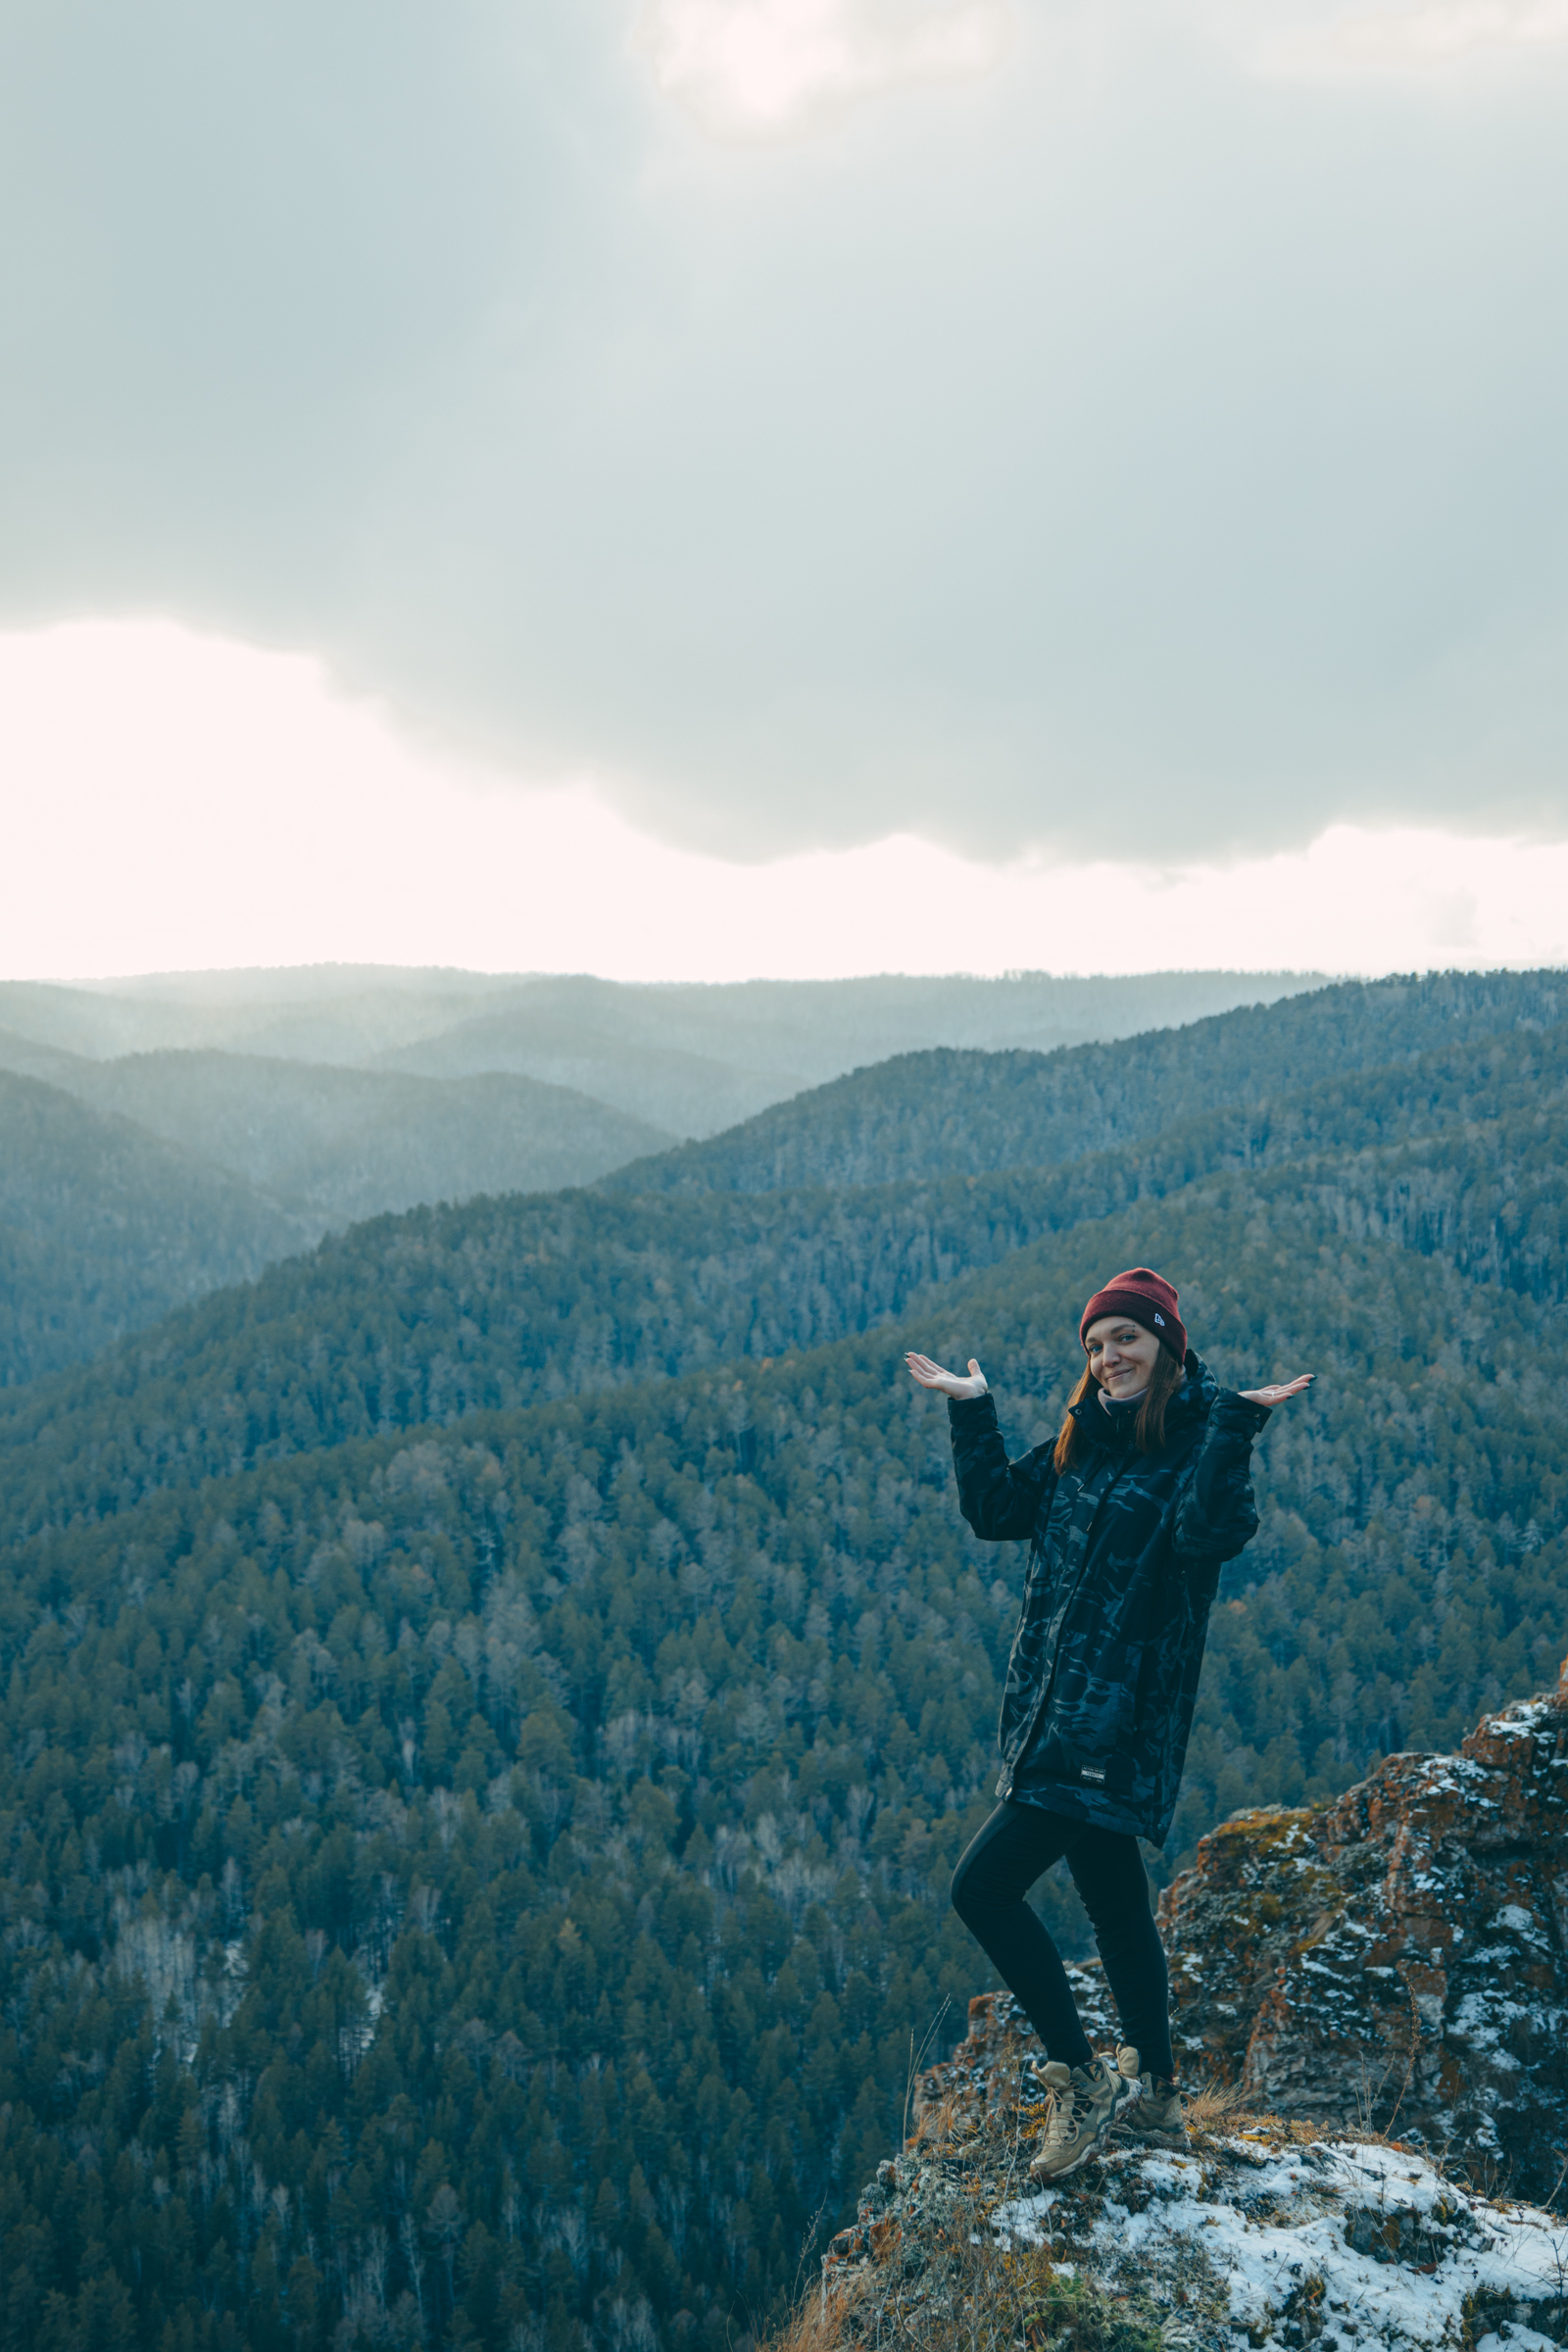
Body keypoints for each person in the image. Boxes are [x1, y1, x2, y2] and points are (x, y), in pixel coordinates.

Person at [905, 1266, 1312, 2180]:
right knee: (1118, 1907)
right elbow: (994, 1512)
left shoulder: (1200, 1440)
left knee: (982, 1889)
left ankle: (1084, 2085)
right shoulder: (1080, 1442)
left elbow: (1213, 1534)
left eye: (1125, 1339)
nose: (1109, 1357)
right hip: (1053, 1719)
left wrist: (1239, 1423)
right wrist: (973, 1408)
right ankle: (1159, 2095)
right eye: (1094, 1346)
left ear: (1165, 1342)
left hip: (1112, 1729)